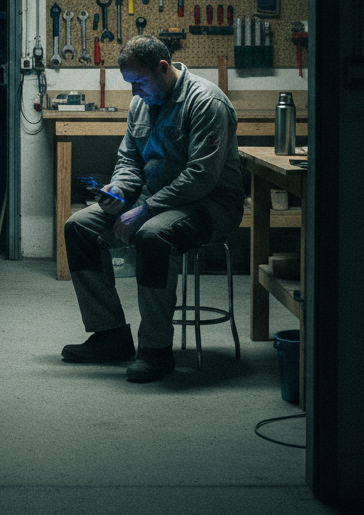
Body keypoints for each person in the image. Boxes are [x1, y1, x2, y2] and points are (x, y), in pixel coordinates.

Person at [62, 35, 244, 382]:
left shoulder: (206, 102)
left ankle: (157, 350)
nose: (134, 94)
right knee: (79, 226)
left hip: (211, 203)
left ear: (163, 68)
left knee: (153, 236)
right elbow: (129, 159)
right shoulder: (140, 104)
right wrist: (119, 189)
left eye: (139, 83)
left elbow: (200, 177)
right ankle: (111, 335)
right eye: (129, 85)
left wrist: (144, 209)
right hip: (154, 197)